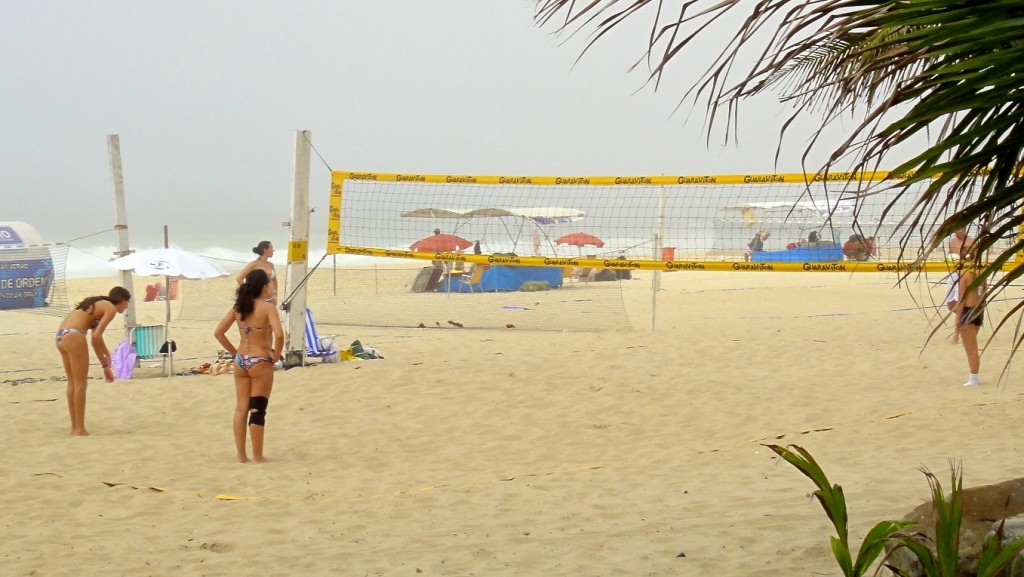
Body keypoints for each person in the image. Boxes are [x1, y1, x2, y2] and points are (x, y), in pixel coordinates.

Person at [214, 269, 285, 463]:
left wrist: (235, 352)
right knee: (257, 409)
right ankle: (258, 456)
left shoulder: (239, 307)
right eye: (268, 284)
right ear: (263, 286)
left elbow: (219, 332)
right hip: (260, 360)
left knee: (240, 408)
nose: (270, 287)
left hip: (241, 360)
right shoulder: (267, 308)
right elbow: (279, 334)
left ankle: (241, 456)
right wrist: (276, 354)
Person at [55, 286, 132, 436]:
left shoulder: (97, 304)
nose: (127, 306)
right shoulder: (110, 308)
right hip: (74, 335)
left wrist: (105, 366)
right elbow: (97, 336)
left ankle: (74, 427)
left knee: (72, 383)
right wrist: (108, 358)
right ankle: (80, 429)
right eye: (127, 302)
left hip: (60, 335)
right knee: (81, 385)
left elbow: (94, 341)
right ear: (122, 300)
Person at [953, 246, 986, 386]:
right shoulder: (982, 273)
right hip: (978, 311)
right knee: (973, 348)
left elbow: (961, 300)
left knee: (971, 349)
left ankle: (974, 378)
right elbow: (984, 294)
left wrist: (957, 322)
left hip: (968, 311)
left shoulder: (965, 275)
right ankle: (974, 376)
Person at [944, 226, 975, 344]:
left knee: (961, 304)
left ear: (964, 229)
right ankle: (967, 318)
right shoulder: (952, 242)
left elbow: (975, 258)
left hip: (965, 274)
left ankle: (957, 334)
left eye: (958, 229)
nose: (956, 232)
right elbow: (949, 257)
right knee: (951, 305)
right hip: (953, 274)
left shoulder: (971, 241)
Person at [237, 241, 278, 306]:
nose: (273, 251)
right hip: (259, 299)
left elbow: (274, 280)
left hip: (271, 298)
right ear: (265, 250)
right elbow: (239, 278)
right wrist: (248, 293)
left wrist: (275, 293)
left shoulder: (270, 265)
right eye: (271, 248)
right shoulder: (254, 264)